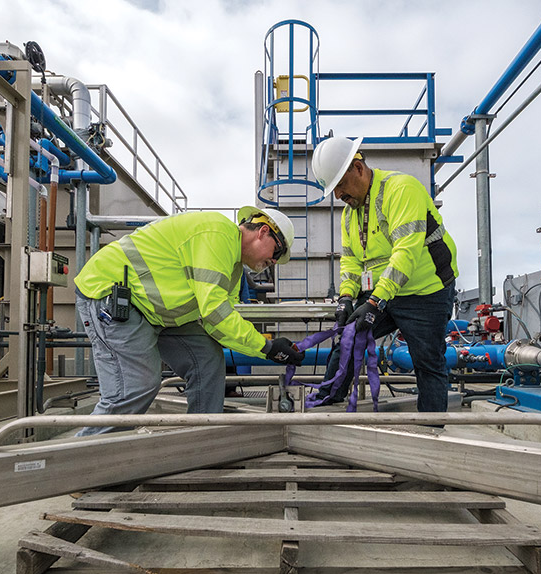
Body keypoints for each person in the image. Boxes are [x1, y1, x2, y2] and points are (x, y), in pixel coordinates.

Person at [72, 207, 303, 436]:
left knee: (206, 360)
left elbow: (217, 324)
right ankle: (75, 459)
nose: (273, 261)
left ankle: (201, 441)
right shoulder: (218, 234)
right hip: (115, 295)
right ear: (263, 231)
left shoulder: (233, 267)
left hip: (157, 312)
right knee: (134, 388)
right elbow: (216, 312)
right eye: (277, 252)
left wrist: (267, 348)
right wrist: (267, 347)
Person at [310, 136, 458, 412]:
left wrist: (375, 302)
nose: (338, 195)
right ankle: (324, 403)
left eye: (340, 185)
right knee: (347, 338)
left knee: (428, 361)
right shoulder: (350, 214)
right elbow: (351, 260)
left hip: (426, 292)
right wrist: (346, 298)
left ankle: (432, 429)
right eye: (334, 189)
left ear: (358, 167)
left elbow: (406, 252)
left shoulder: (401, 189)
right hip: (384, 291)